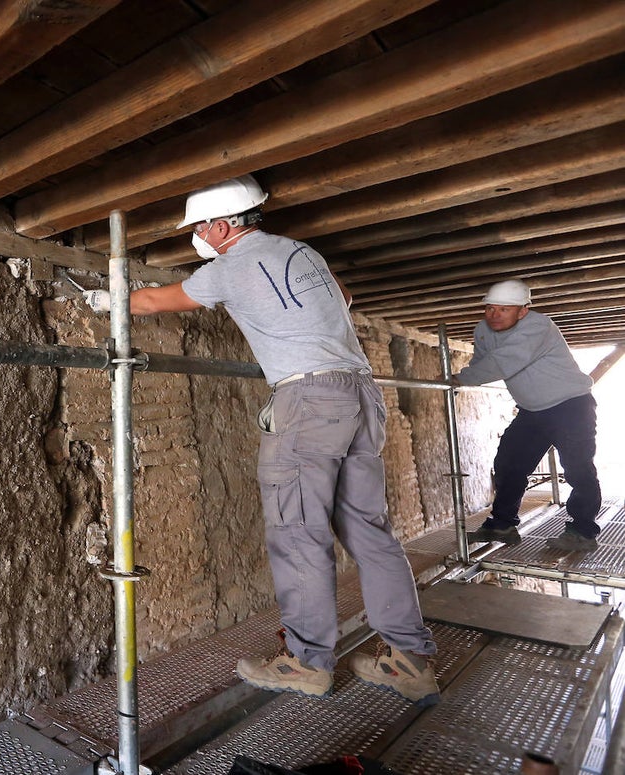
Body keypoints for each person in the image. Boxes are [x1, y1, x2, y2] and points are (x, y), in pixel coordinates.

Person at [82, 176, 438, 705]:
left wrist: (106, 299)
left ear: (224, 226)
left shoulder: (230, 266)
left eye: (201, 227)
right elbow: (342, 296)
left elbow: (155, 301)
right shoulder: (302, 252)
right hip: (361, 394)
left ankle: (308, 663)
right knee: (369, 531)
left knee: (298, 533)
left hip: (309, 400)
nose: (197, 236)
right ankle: (408, 660)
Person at [452, 279, 602, 552]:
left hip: (570, 407)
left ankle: (583, 531)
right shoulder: (482, 330)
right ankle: (503, 524)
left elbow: (502, 362)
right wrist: (463, 380)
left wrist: (458, 379)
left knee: (578, 469)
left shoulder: (538, 326)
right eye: (490, 308)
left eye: (504, 309)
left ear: (523, 310)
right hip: (532, 411)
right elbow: (482, 364)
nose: (494, 315)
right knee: (509, 464)